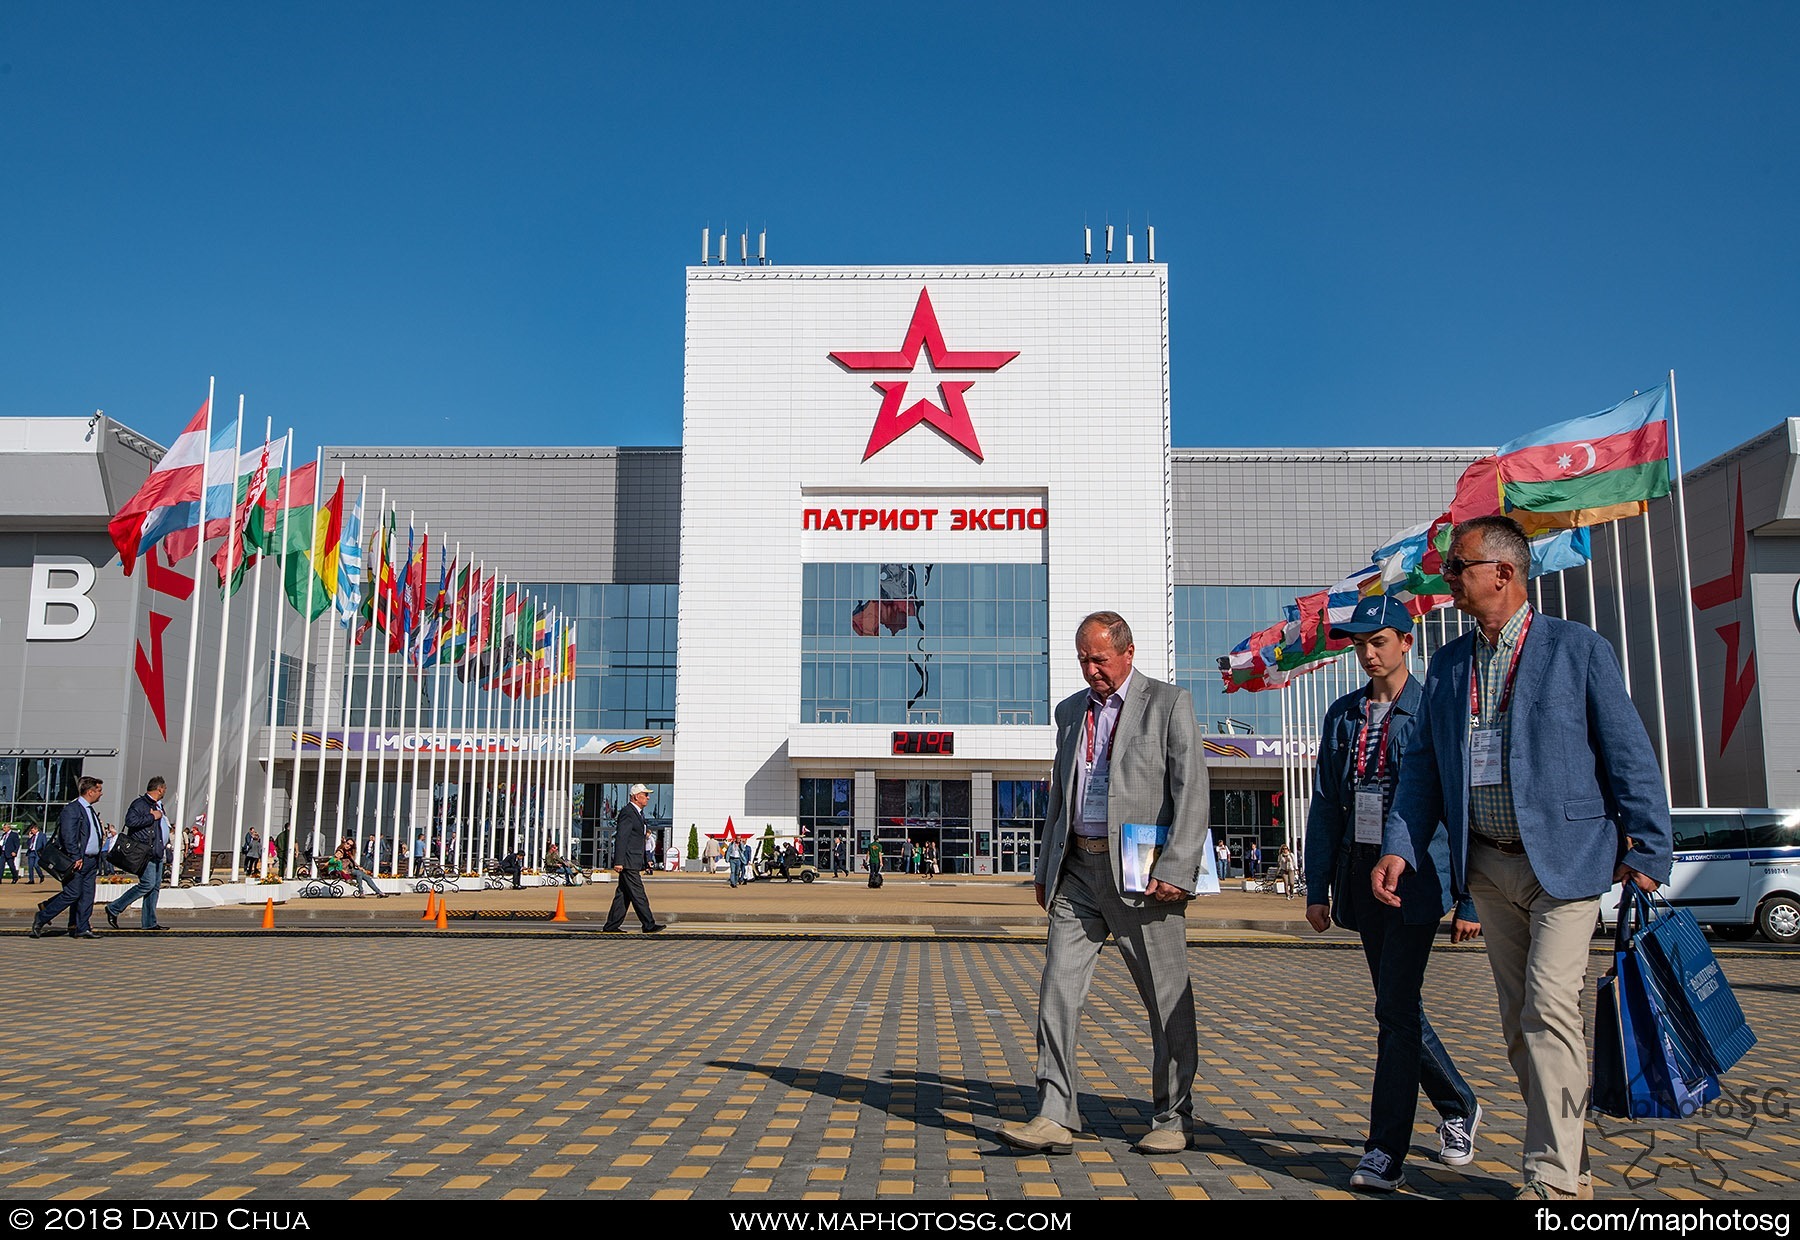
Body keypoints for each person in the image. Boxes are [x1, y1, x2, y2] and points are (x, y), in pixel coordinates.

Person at [1373, 515, 1673, 1201]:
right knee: (1521, 1027)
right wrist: (1399, 846)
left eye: (1458, 567)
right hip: (1486, 868)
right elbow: (1420, 770)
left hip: (1565, 867)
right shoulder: (1449, 666)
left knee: (1548, 1009)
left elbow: (1629, 752)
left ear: (1502, 574)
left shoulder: (1577, 649)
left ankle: (1553, 1183)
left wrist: (1650, 845)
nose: (1446, 579)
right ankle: (1571, 1159)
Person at [998, 611, 1210, 1157]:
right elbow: (1060, 796)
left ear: (1128, 652)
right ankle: (1054, 1113)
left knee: (1165, 999)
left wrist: (1178, 866)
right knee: (1057, 991)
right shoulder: (1071, 712)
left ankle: (1171, 1115)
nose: (1091, 670)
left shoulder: (1168, 704)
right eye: (1084, 660)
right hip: (1078, 872)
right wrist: (1046, 870)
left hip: (1145, 872)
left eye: (1100, 659)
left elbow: (1192, 791)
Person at [1302, 594, 1481, 1193]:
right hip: (1359, 874)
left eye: (1379, 642)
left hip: (1416, 879)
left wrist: (1471, 900)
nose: (1368, 654)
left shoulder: (1436, 706)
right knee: (1396, 1008)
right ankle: (1458, 1105)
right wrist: (1316, 885)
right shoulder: (1343, 715)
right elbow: (1327, 804)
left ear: (1407, 642)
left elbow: (1462, 805)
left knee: (1395, 1012)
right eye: (1360, 644)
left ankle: (1384, 1151)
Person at [31, 776, 107, 939]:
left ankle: (82, 927)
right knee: (72, 893)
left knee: (87, 895)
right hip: (77, 860)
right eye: (99, 790)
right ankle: (42, 917)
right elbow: (68, 835)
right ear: (90, 791)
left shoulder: (89, 809)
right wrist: (75, 856)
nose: (101, 794)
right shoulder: (73, 809)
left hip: (92, 860)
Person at [105, 776, 171, 931]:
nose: (165, 791)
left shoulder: (157, 805)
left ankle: (149, 922)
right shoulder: (140, 804)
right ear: (159, 789)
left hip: (157, 851)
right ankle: (114, 908)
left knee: (154, 887)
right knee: (147, 884)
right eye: (165, 788)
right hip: (145, 852)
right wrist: (151, 816)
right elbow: (131, 821)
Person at [603, 784, 664, 933]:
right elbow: (622, 837)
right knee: (638, 894)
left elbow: (637, 840)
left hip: (633, 860)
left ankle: (611, 926)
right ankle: (648, 924)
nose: (648, 798)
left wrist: (645, 860)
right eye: (645, 794)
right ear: (636, 796)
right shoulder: (628, 813)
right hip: (628, 862)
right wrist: (618, 861)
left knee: (623, 895)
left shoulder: (638, 814)